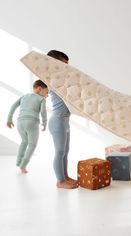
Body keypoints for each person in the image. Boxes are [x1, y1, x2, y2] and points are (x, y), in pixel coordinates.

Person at [47, 50, 78, 189]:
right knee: (59, 151)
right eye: (62, 63)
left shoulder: (63, 79)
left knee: (66, 151)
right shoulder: (52, 80)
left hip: (65, 121)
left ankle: (65, 176)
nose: (66, 67)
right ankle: (60, 181)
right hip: (58, 120)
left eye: (67, 64)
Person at [7, 80, 48, 173]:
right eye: (46, 92)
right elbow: (43, 112)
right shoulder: (41, 99)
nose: (47, 95)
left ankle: (18, 161)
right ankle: (23, 165)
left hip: (20, 122)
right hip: (32, 122)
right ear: (39, 89)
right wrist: (44, 123)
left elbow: (13, 106)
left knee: (24, 141)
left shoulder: (24, 96)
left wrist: (9, 119)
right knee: (32, 144)